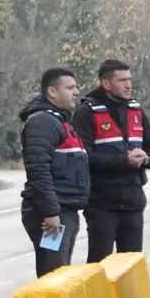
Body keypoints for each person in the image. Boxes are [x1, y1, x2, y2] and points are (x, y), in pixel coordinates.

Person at [72, 58, 150, 262]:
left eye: (129, 79)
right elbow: (83, 157)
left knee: (130, 267)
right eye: (122, 80)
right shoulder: (87, 112)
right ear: (106, 83)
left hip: (134, 201)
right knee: (99, 266)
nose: (128, 85)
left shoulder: (136, 110)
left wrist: (147, 158)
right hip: (101, 203)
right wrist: (123, 161)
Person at [19, 67, 89, 278]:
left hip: (63, 211)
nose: (76, 92)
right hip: (50, 217)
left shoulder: (60, 120)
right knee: (53, 277)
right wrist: (51, 213)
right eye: (70, 87)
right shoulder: (43, 122)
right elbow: (38, 170)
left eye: (75, 87)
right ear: (52, 92)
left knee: (60, 275)